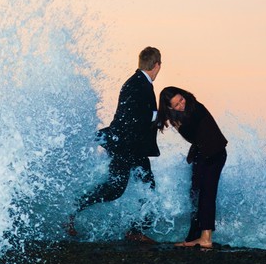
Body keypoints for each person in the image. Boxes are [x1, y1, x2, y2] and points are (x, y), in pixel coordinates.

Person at [72, 46, 162, 242]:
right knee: (117, 189)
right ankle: (73, 209)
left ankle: (135, 230)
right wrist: (158, 115)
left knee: (146, 188)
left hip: (131, 146)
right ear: (157, 65)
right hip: (125, 146)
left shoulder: (137, 82)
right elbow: (133, 117)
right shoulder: (139, 84)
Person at [157, 86, 227, 248]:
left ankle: (206, 238)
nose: (182, 104)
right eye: (176, 105)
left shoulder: (195, 107)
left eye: (181, 99)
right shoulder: (178, 115)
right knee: (194, 195)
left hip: (214, 154)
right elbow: (193, 137)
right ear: (169, 107)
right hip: (202, 154)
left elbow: (190, 131)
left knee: (207, 194)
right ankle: (193, 236)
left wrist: (175, 122)